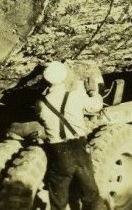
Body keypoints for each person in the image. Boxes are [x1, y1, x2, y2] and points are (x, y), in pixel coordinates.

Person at [35, 61, 106, 210]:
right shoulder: (75, 96)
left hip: (59, 153)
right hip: (79, 149)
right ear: (64, 76)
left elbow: (40, 116)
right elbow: (96, 105)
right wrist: (93, 91)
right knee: (92, 196)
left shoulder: (40, 104)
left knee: (58, 202)